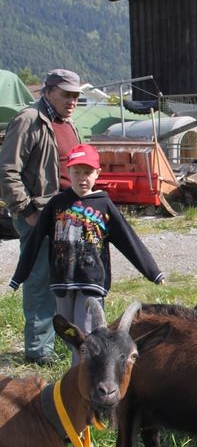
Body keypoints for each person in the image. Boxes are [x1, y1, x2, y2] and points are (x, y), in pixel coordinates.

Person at [9, 144, 165, 365]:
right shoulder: (57, 204)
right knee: (70, 335)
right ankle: (79, 376)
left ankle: (83, 377)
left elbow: (129, 241)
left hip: (91, 281)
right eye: (77, 172)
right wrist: (19, 276)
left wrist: (153, 272)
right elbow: (34, 242)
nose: (82, 178)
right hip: (62, 281)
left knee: (87, 335)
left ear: (97, 174)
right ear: (68, 172)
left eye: (88, 172)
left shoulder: (104, 205)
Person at [0, 69, 82, 365]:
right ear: (48, 92)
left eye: (76, 96)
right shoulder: (28, 120)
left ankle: (61, 341)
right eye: (66, 95)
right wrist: (28, 213)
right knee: (39, 279)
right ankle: (38, 350)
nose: (72, 101)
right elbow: (7, 172)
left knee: (65, 278)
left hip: (69, 213)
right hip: (39, 213)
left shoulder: (68, 123)